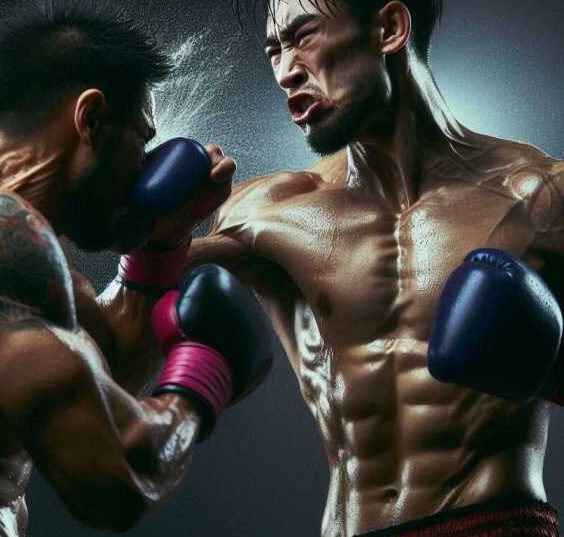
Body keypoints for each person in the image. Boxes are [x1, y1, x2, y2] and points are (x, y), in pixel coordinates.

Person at [0, 2, 272, 536]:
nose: (145, 166)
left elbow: (105, 377)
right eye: (141, 140)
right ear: (90, 119)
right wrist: (207, 373)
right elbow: (115, 478)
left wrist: (160, 243)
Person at [181, 0, 562, 535]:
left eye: (303, 36)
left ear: (388, 28)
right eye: (274, 50)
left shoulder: (539, 197)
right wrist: (152, 238)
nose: (286, 70)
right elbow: (100, 320)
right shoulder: (265, 213)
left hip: (495, 524)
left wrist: (548, 366)